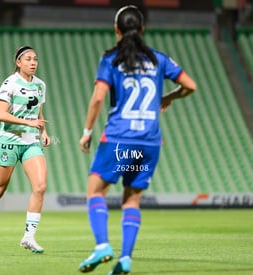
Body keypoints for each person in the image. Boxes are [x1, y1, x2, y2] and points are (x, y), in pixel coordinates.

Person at [78, 5, 197, 274]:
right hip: (150, 142)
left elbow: (98, 98)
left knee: (95, 191)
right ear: (143, 29)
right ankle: (126, 259)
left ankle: (102, 246)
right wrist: (169, 97)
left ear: (116, 30)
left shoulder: (110, 59)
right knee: (131, 200)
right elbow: (191, 86)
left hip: (120, 138)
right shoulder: (158, 59)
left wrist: (87, 133)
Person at [0, 46, 50, 255]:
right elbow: (0, 114)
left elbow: (38, 114)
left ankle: (29, 236)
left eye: (35, 59)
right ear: (18, 62)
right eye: (28, 59)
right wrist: (29, 122)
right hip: (9, 140)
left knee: (40, 187)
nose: (33, 62)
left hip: (30, 142)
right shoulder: (10, 84)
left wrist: (43, 132)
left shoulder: (40, 85)